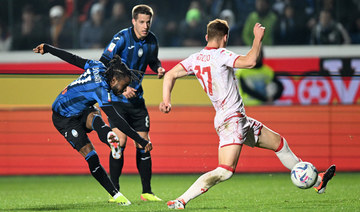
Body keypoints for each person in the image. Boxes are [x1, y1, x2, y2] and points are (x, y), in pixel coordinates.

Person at [160, 19, 336, 209]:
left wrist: (166, 100)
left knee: (279, 143)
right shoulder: (221, 54)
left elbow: (169, 74)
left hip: (237, 119)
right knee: (225, 171)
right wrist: (258, 39)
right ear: (225, 38)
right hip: (231, 120)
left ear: (206, 37)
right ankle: (181, 200)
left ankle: (317, 179)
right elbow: (251, 61)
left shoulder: (195, 58)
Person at [33, 43, 152, 206]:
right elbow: (117, 120)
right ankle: (116, 194)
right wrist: (141, 140)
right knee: (91, 155)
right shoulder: (101, 90)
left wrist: (48, 48)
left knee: (94, 113)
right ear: (115, 79)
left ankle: (110, 138)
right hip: (64, 118)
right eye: (123, 86)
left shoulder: (97, 66)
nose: (123, 90)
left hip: (82, 109)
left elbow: (73, 59)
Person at [100, 4, 165, 202]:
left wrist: (159, 68)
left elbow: (152, 60)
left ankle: (147, 192)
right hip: (118, 101)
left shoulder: (152, 40)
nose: (145, 26)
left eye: (148, 22)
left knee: (144, 144)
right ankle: (115, 192)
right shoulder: (120, 38)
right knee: (119, 144)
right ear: (133, 21)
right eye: (142, 22)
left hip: (137, 102)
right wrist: (121, 87)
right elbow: (103, 63)